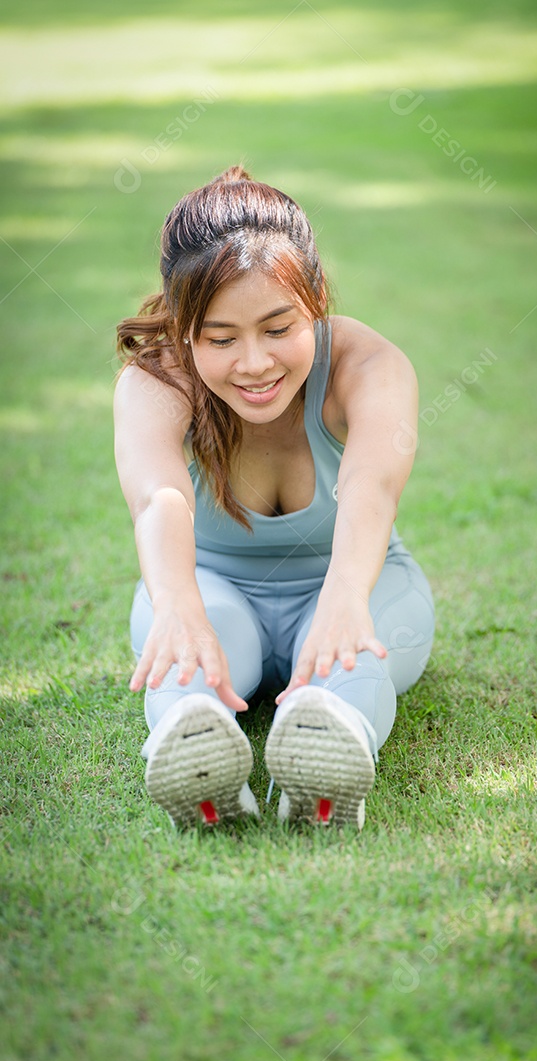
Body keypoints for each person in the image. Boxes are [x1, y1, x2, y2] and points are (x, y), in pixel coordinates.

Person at [114, 165, 434, 831]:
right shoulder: (155, 382)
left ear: (315, 296)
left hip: (351, 577)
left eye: (277, 328)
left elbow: (371, 486)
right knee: (198, 650)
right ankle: (191, 753)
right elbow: (158, 499)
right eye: (220, 339)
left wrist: (345, 599)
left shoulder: (368, 367)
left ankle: (326, 757)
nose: (254, 363)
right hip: (210, 582)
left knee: (351, 658)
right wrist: (176, 609)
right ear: (182, 326)